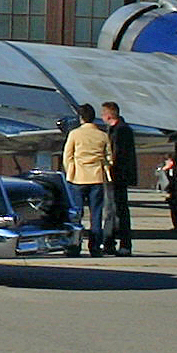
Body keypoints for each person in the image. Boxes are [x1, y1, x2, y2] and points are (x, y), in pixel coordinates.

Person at [62, 103, 112, 258]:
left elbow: (67, 156)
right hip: (96, 177)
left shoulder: (75, 134)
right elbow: (109, 157)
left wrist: (70, 171)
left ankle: (74, 245)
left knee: (76, 214)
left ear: (81, 118)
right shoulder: (102, 135)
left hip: (78, 177)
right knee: (96, 214)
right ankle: (95, 246)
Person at [98, 100, 139, 255]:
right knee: (117, 209)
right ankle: (116, 243)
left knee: (113, 210)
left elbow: (116, 154)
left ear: (108, 115)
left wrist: (108, 166)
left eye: (103, 114)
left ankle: (114, 243)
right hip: (120, 175)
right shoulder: (123, 129)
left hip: (116, 175)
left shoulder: (119, 131)